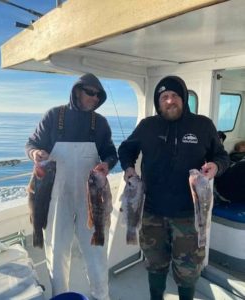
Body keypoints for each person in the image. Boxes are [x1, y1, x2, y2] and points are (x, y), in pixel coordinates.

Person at [118, 75, 230, 300]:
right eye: (165, 97)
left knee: (188, 272)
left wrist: (215, 167)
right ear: (158, 102)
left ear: (184, 98)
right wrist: (129, 168)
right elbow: (126, 149)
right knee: (154, 264)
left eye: (175, 96)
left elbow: (221, 156)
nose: (170, 101)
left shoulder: (202, 125)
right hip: (151, 213)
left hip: (190, 217)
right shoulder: (148, 126)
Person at [25, 73, 118, 300]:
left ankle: (101, 296)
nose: (95, 98)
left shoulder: (101, 123)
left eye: (98, 95)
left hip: (91, 195)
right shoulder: (54, 116)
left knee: (96, 251)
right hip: (58, 195)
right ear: (77, 91)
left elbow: (110, 152)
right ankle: (60, 296)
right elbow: (32, 144)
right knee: (56, 251)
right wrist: (36, 153)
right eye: (90, 93)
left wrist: (107, 164)